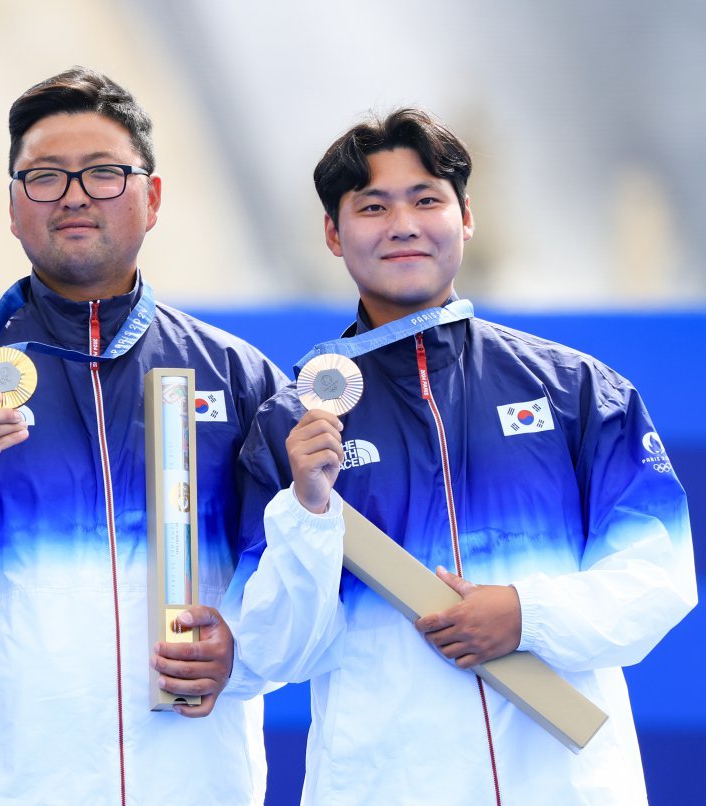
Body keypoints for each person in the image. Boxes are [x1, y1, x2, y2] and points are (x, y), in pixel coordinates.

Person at [233, 108, 696, 804]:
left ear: (466, 215)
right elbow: (272, 651)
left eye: (426, 199)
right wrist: (308, 507)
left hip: (564, 784)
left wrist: (524, 612)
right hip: (385, 783)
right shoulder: (290, 425)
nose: (404, 224)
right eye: (373, 206)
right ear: (333, 232)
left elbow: (660, 576)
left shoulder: (576, 391)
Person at [0, 67, 287, 804]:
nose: (76, 195)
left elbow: (294, 583)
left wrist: (240, 644)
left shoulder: (240, 380)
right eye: (46, 177)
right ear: (14, 206)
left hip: (191, 781)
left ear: (152, 198)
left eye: (105, 174)